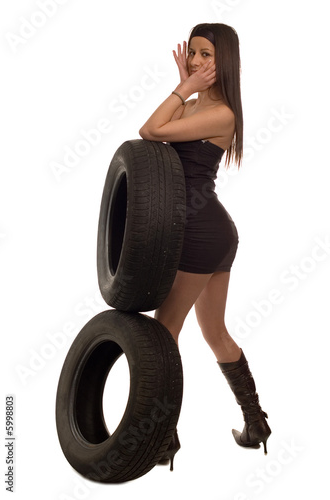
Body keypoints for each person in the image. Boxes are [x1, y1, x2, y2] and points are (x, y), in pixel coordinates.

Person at [139, 23, 271, 471]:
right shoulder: (197, 104)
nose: (195, 62)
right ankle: (257, 425)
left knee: (164, 333)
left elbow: (150, 130)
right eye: (192, 53)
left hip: (201, 231)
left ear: (224, 61)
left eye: (205, 55)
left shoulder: (223, 114)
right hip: (208, 228)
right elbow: (158, 138)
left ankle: (163, 437)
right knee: (214, 334)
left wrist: (182, 87)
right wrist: (186, 89)